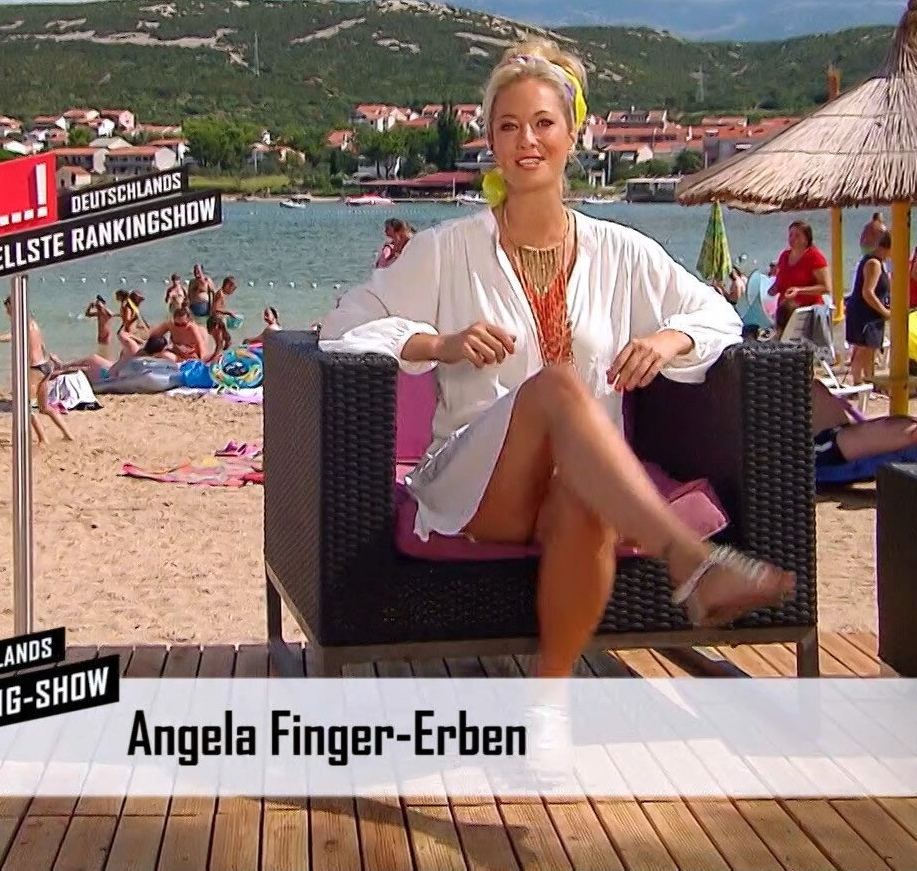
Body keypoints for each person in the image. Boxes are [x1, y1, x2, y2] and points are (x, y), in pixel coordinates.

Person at [317, 38, 795, 694]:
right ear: (490, 141)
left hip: (585, 481)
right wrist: (438, 343)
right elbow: (343, 326)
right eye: (508, 126)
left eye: (543, 123)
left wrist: (668, 341)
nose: (527, 140)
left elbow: (717, 315)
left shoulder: (623, 252)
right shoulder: (446, 250)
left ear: (574, 134)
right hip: (477, 483)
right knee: (557, 387)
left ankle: (549, 704)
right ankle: (690, 561)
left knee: (583, 495)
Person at [0, 298, 72, 442]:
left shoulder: (21, 323)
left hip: (36, 369)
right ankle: (68, 435)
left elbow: (11, 336)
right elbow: (42, 345)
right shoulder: (33, 323)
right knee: (44, 407)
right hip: (46, 366)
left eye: (8, 309)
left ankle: (43, 439)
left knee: (25, 407)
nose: (7, 312)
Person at [843, 232, 893, 384]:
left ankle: (870, 382)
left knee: (870, 350)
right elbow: (868, 292)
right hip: (864, 313)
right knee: (862, 350)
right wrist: (885, 312)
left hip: (872, 314)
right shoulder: (873, 263)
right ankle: (858, 382)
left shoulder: (881, 263)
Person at [767, 220, 832, 335]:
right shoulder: (784, 256)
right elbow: (782, 281)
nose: (792, 239)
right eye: (790, 235)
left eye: (797, 235)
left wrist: (799, 290)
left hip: (807, 313)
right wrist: (774, 288)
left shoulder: (815, 257)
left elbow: (826, 288)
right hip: (785, 313)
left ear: (806, 239)